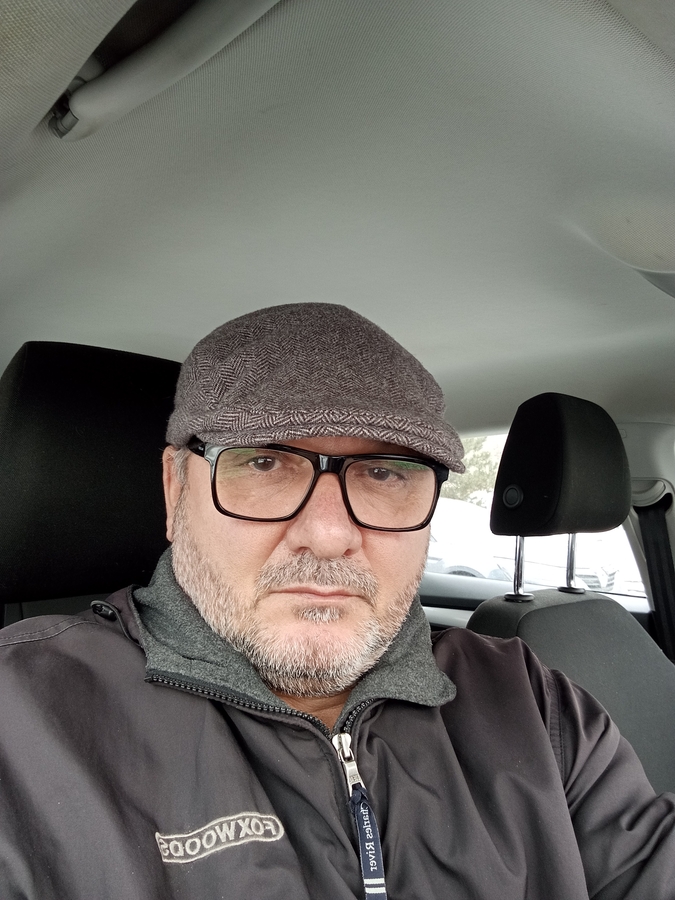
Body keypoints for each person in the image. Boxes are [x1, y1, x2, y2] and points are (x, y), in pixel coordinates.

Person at [0, 302, 674, 900]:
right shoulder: (22, 723)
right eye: (263, 462)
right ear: (177, 490)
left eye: (384, 472)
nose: (328, 534)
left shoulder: (534, 704)